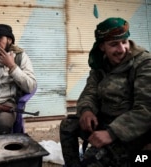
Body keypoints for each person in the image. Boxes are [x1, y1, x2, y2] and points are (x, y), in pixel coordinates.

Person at [60, 17, 151, 167]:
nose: (121, 49)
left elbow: (146, 109)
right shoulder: (101, 64)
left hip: (133, 132)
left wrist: (111, 133)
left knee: (92, 160)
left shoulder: (143, 63)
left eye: (124, 42)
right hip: (106, 122)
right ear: (102, 47)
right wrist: (87, 111)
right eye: (114, 44)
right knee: (68, 125)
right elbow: (89, 93)